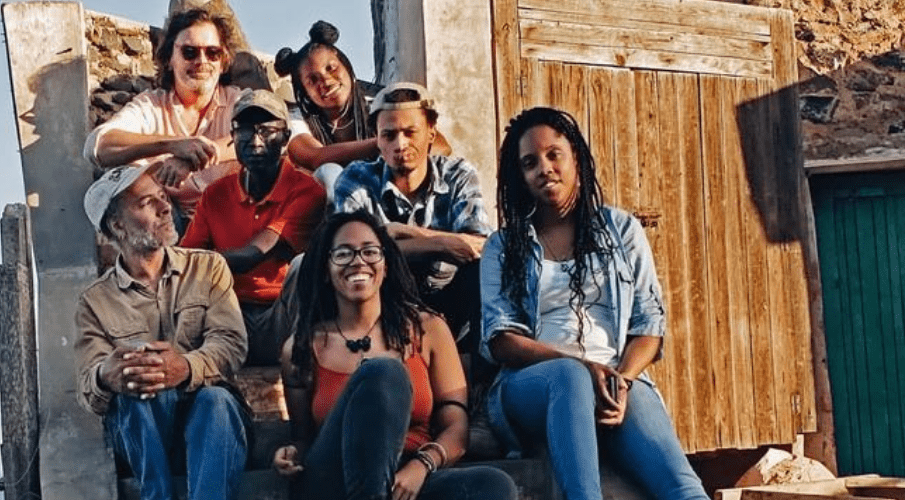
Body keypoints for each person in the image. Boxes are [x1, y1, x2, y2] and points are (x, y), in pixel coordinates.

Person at [480, 107, 708, 500]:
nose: (544, 168)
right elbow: (501, 339)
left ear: (576, 159)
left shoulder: (621, 230)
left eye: (554, 155)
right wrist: (583, 368)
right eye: (530, 163)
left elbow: (649, 323)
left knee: (682, 487)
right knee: (568, 376)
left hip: (617, 377)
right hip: (533, 385)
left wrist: (622, 380)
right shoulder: (504, 246)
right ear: (520, 176)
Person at [270, 211, 518, 500]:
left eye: (370, 252)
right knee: (384, 373)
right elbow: (304, 439)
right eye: (343, 254)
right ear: (326, 269)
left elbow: (456, 429)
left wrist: (421, 465)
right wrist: (289, 454)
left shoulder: (428, 330)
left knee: (494, 486)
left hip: (407, 478)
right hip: (335, 481)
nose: (358, 261)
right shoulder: (301, 347)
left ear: (386, 266)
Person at [75, 164, 250, 500]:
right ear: (117, 226)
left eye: (161, 196)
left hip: (214, 427)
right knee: (134, 382)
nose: (165, 206)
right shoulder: (94, 302)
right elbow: (88, 386)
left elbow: (231, 345)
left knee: (215, 400)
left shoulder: (208, 267)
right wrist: (105, 375)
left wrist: (182, 368)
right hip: (146, 437)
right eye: (145, 203)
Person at [84, 8, 306, 221]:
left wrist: (194, 157)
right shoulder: (151, 106)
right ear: (170, 58)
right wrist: (173, 145)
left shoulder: (239, 101)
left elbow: (279, 134)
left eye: (212, 53)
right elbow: (97, 146)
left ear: (223, 62)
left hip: (233, 217)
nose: (202, 61)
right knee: (119, 183)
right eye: (190, 52)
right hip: (172, 222)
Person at [333, 82, 491, 353]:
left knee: (485, 272)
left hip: (450, 300)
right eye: (389, 135)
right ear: (377, 138)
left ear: (431, 132)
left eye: (410, 132)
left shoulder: (458, 174)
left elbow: (476, 247)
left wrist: (405, 234)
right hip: (386, 301)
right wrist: (440, 245)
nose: (400, 144)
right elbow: (354, 252)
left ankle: (479, 371)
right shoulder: (356, 179)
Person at [180, 89, 325, 365]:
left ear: (285, 140)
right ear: (233, 139)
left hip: (281, 315)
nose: (256, 141)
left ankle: (301, 365)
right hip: (230, 312)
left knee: (301, 266)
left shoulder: (306, 191)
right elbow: (188, 257)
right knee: (184, 282)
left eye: (267, 130)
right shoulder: (215, 193)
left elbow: (253, 255)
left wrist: (176, 260)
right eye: (245, 131)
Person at [274, 21, 451, 201]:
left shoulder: (380, 107)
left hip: (386, 202)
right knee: (330, 172)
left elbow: (440, 147)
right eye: (313, 80)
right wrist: (385, 142)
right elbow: (316, 157)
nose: (326, 82)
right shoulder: (296, 120)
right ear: (303, 90)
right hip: (332, 216)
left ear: (347, 67)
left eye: (331, 68)